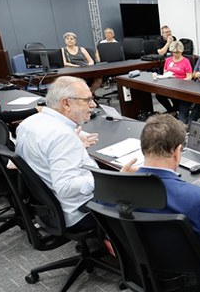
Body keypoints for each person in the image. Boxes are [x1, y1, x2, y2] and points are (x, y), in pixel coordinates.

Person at [16, 76, 134, 229]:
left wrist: (73, 146)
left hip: (49, 207)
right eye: (87, 100)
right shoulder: (62, 136)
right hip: (79, 211)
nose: (93, 105)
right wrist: (113, 179)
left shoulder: (29, 123)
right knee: (143, 194)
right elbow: (65, 187)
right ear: (66, 103)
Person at [135, 113, 200, 280]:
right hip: (196, 280)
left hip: (148, 274)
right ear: (177, 152)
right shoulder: (198, 199)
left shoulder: (120, 188)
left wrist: (121, 177)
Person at [155, 41, 193, 119]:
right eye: (173, 52)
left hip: (181, 86)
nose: (175, 54)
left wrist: (183, 81)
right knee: (159, 95)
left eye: (177, 52)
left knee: (178, 102)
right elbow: (165, 72)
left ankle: (176, 110)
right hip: (170, 84)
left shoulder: (186, 61)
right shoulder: (168, 60)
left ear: (181, 51)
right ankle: (171, 110)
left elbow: (189, 76)